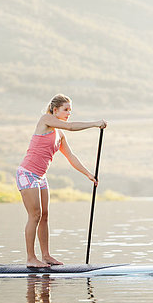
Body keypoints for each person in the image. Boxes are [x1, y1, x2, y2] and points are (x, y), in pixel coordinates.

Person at [17, 94, 107, 268]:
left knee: (44, 216)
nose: (68, 113)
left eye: (70, 111)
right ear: (55, 109)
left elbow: (71, 157)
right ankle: (30, 258)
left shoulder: (60, 135)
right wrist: (95, 123)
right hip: (27, 173)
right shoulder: (45, 119)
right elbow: (71, 126)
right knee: (34, 215)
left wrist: (88, 174)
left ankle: (46, 256)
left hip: (41, 177)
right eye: (66, 110)